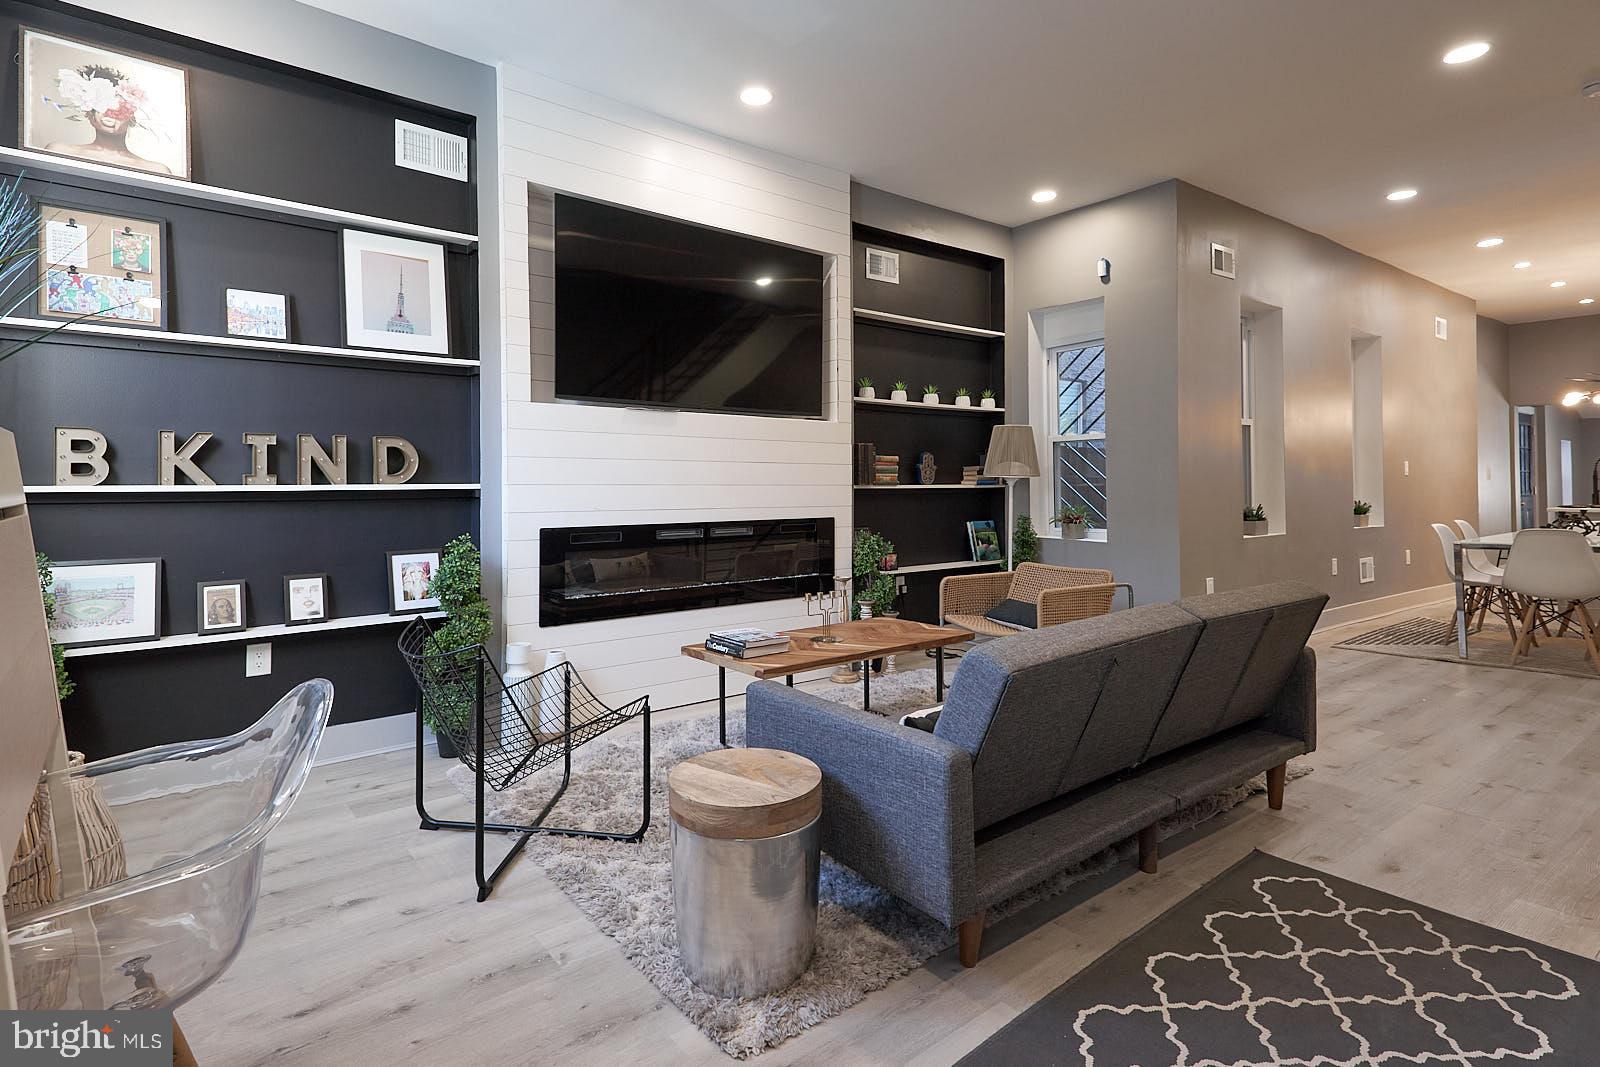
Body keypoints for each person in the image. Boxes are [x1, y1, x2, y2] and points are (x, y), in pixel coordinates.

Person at [44, 63, 172, 175]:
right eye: (101, 103)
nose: (110, 112)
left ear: (132, 117)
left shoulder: (156, 171)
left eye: (118, 106)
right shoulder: (60, 152)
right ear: (88, 112)